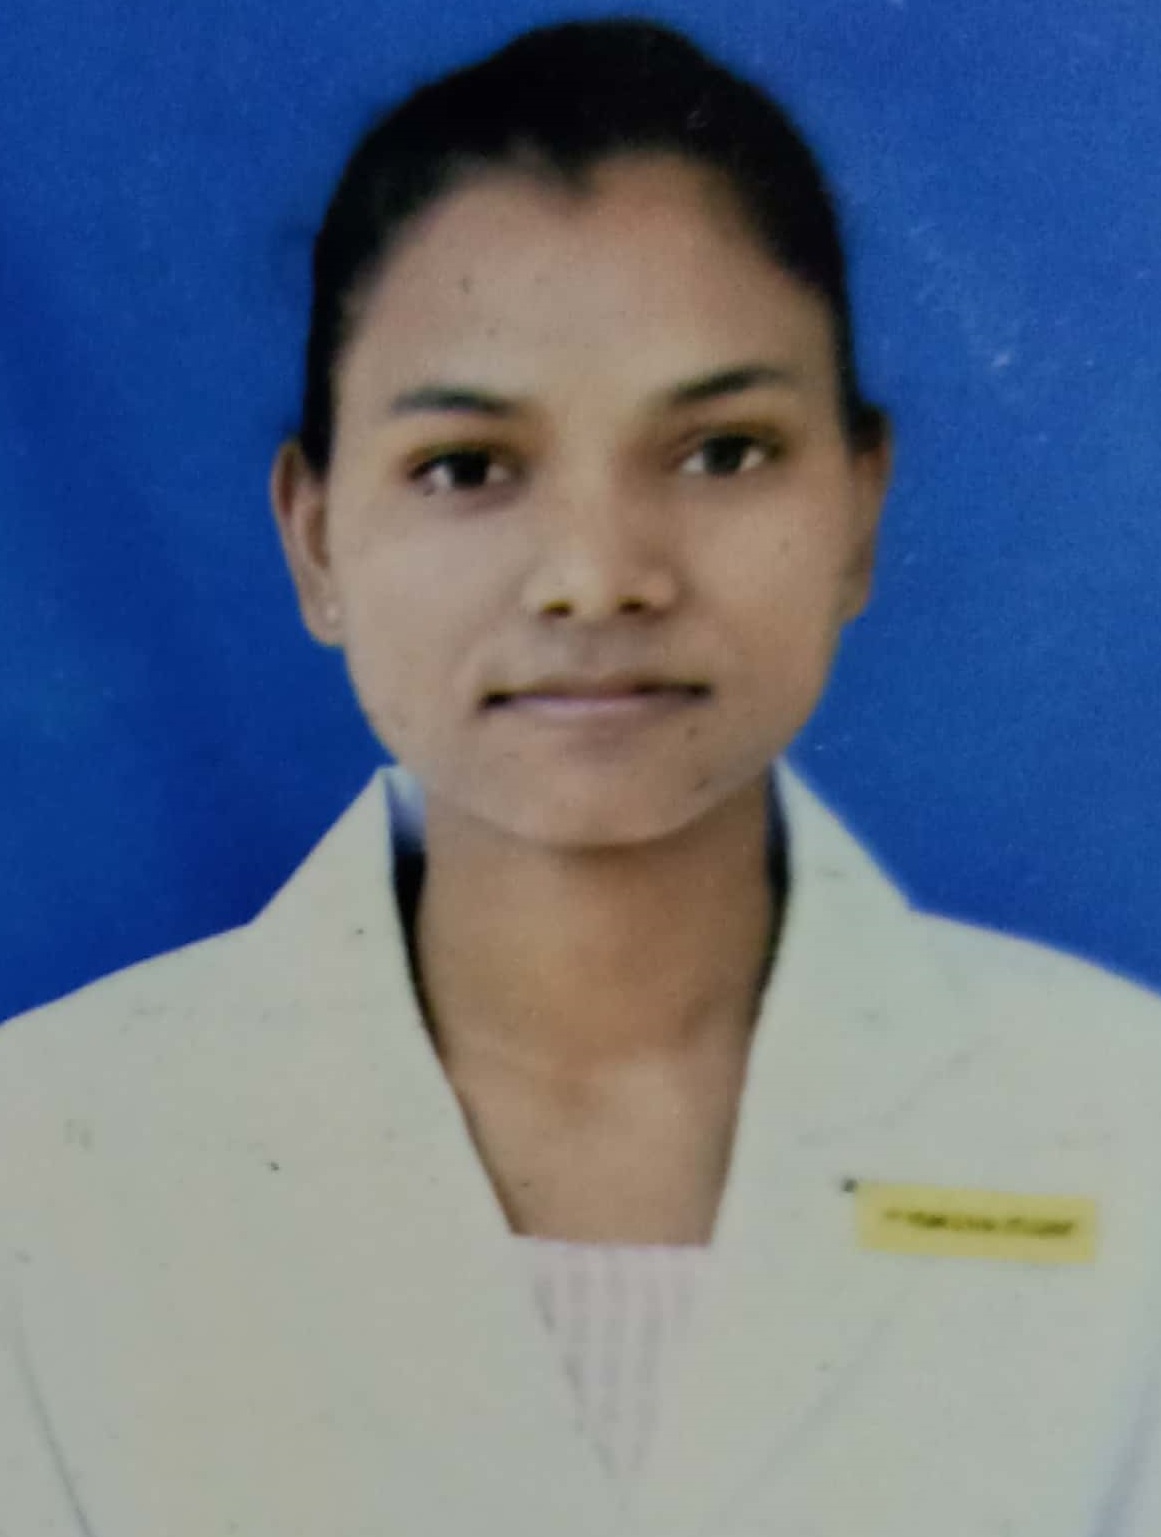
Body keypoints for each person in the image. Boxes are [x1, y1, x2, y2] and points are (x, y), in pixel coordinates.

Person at [2, 18, 1161, 1536]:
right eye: (467, 466)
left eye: (722, 450)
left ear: (861, 505)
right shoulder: (42, 1158)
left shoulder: (1123, 1121)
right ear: (316, 538)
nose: (597, 576)